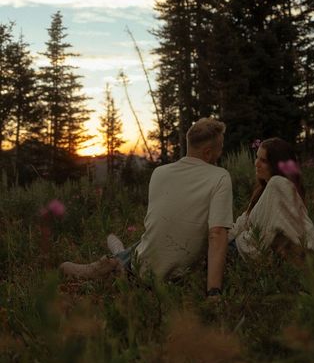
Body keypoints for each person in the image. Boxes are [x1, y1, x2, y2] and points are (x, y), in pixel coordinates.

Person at [60, 118, 233, 297]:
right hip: (177, 276)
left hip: (142, 269)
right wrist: (214, 291)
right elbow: (217, 233)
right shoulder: (220, 177)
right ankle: (114, 260)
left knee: (144, 242)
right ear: (207, 152)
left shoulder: (160, 173)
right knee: (148, 242)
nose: (221, 153)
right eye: (220, 148)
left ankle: (113, 261)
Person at [228, 138, 314, 262]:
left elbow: (301, 226)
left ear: (277, 164)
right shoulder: (265, 189)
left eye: (263, 160)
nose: (256, 163)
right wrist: (222, 237)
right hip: (242, 247)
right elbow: (245, 220)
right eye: (257, 157)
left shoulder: (279, 185)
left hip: (246, 252)